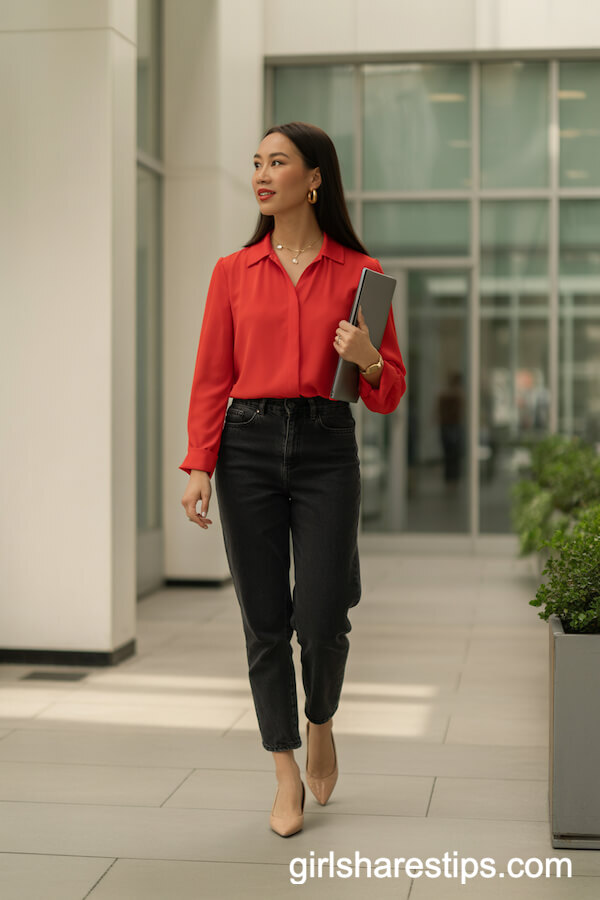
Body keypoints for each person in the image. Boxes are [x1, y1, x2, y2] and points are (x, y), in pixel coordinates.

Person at [179, 122, 406, 837]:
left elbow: (388, 391)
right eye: (256, 163)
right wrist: (199, 464)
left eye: (276, 162)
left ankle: (321, 720)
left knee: (324, 615)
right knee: (265, 621)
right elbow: (211, 376)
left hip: (326, 444)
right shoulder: (232, 271)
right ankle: (284, 768)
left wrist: (367, 356)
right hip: (245, 444)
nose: (260, 174)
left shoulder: (360, 273)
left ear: (314, 179)